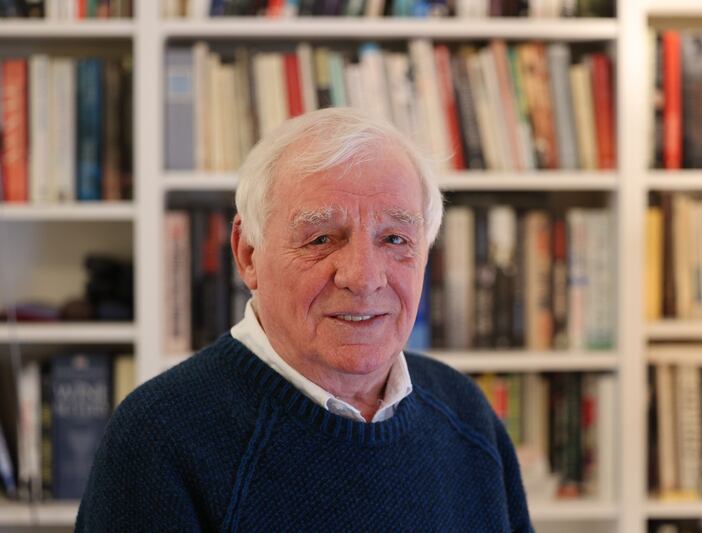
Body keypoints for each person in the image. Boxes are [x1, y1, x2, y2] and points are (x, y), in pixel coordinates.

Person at [76, 108, 534, 532]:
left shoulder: (467, 415)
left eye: (395, 238)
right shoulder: (158, 439)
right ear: (248, 253)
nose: (364, 277)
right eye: (321, 238)